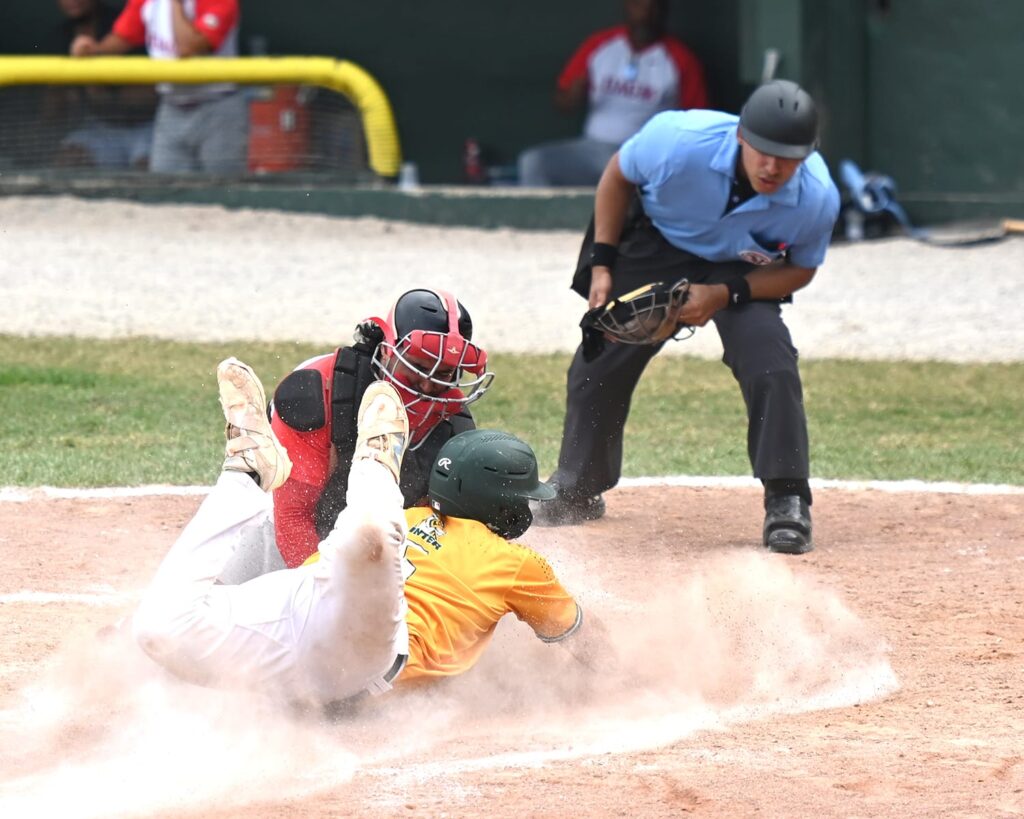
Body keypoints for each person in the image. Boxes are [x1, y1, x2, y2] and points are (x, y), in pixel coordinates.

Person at [132, 358, 598, 711]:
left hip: (310, 622)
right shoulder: (518, 564)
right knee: (369, 541)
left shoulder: (416, 518)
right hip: (354, 651)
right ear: (503, 503)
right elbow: (579, 638)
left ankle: (244, 477)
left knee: (162, 626)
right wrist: (627, 680)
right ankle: (370, 462)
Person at [531, 79, 841, 555]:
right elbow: (617, 176)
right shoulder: (676, 142)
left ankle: (788, 499)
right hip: (660, 241)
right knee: (601, 352)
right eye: (762, 150)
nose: (773, 165)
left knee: (770, 358)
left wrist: (722, 293)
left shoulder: (816, 197)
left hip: (740, 270)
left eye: (788, 156)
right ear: (741, 135)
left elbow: (800, 269)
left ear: (808, 154)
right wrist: (603, 261)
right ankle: (578, 486)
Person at [254, 288, 493, 573]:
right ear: (385, 351)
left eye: (442, 375)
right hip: (281, 524)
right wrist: (322, 597)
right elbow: (292, 517)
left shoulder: (453, 426)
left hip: (380, 545)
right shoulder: (317, 393)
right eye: (416, 368)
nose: (428, 387)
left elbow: (442, 540)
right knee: (240, 587)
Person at [517, 0, 707, 187]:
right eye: (639, 5)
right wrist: (573, 95)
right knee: (533, 162)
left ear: (664, 11)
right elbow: (562, 102)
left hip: (644, 154)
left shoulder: (680, 58)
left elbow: (699, 123)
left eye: (653, 7)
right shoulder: (601, 44)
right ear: (627, 6)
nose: (646, 14)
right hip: (593, 148)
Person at [69, 0, 249, 175]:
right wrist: (94, 49)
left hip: (217, 106)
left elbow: (188, 48)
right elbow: (124, 36)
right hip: (171, 108)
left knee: (223, 188)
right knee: (166, 189)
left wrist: (175, 4)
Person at [45, 0, 156, 170]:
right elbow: (55, 104)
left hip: (147, 127)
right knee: (68, 161)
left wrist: (100, 88)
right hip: (101, 127)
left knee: (150, 172)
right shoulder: (62, 34)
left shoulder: (121, 24)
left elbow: (148, 95)